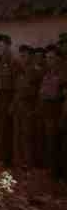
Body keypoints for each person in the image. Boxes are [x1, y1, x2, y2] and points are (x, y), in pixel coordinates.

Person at [39, 45, 65, 179]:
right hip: (48, 113)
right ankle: (52, 173)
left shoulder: (63, 74)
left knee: (57, 146)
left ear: (59, 59)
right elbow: (43, 92)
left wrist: (62, 117)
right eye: (47, 58)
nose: (49, 60)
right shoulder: (48, 73)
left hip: (58, 113)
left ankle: (57, 176)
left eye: (52, 58)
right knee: (50, 144)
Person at [11, 45, 39, 169]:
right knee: (17, 135)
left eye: (25, 55)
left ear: (31, 57)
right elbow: (17, 90)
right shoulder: (19, 70)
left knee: (28, 136)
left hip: (28, 106)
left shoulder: (34, 71)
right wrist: (13, 104)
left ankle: (29, 163)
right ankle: (18, 161)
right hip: (18, 106)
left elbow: (35, 92)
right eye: (21, 56)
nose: (22, 58)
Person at [0, 34, 16, 168]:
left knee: (5, 129)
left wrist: (12, 103)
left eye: (1, 46)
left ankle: (5, 160)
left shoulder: (13, 62)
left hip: (8, 97)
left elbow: (17, 85)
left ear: (8, 46)